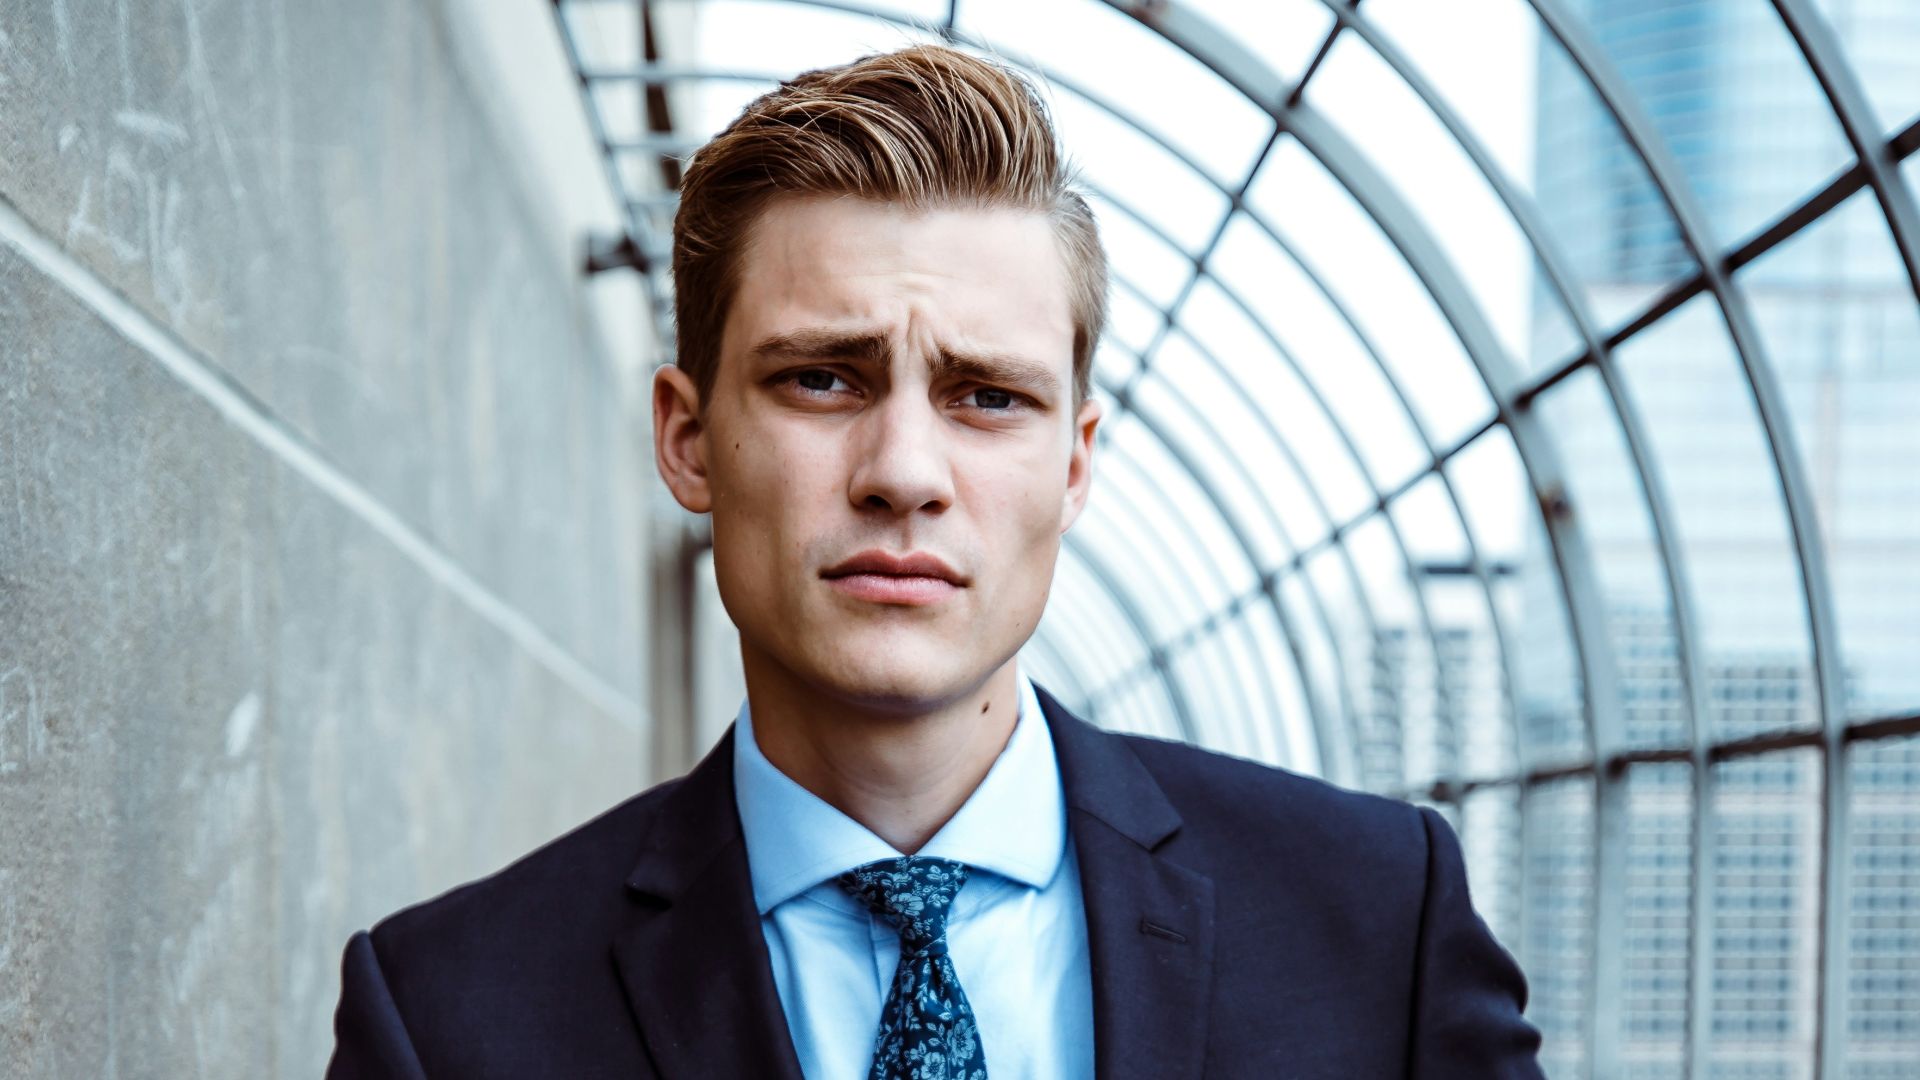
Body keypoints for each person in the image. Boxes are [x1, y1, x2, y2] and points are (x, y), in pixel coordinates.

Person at [325, 43, 1545, 1079]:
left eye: (988, 396)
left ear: (1073, 466)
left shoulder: (1380, 924)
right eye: (821, 377)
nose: (903, 469)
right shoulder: (449, 1017)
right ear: (688, 442)